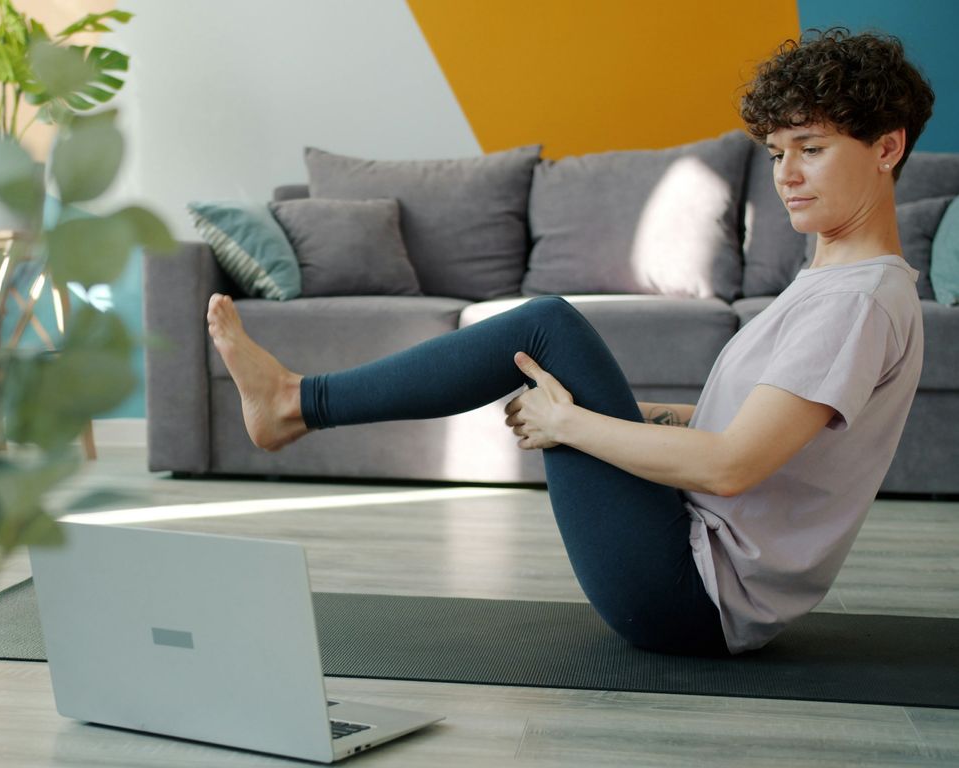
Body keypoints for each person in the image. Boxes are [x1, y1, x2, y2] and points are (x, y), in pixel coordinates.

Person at [204, 28, 936, 656]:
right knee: (549, 339)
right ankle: (295, 403)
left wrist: (571, 422)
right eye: (777, 153)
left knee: (543, 325)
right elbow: (737, 432)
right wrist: (621, 413)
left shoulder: (855, 302)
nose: (787, 175)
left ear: (886, 148)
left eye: (810, 148)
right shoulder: (833, 282)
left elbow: (730, 467)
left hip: (694, 599)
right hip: (694, 570)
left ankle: (296, 402)